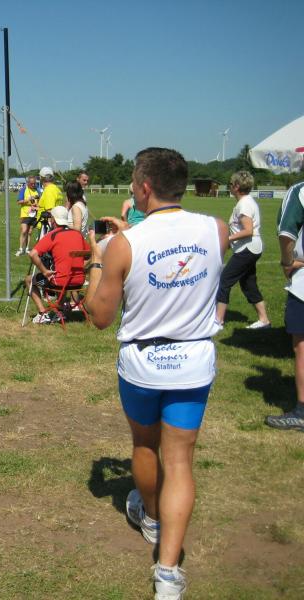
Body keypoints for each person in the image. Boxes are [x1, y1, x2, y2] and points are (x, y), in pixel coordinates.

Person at [83, 148, 228, 600]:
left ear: (145, 187)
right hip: (192, 360)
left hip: (144, 363)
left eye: (132, 182)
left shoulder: (124, 245)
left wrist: (97, 259)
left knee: (145, 445)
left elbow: (99, 316)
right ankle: (168, 571)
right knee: (180, 461)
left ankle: (150, 515)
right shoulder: (216, 229)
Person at [266, 179, 304, 431]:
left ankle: (302, 411)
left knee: (302, 346)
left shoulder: (300, 191)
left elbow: (286, 233)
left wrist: (287, 262)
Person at [215, 171, 270, 329]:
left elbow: (248, 230)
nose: (230, 187)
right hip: (250, 248)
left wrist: (227, 239)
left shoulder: (244, 204)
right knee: (248, 284)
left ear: (237, 186)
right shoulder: (246, 202)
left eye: (231, 184)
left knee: (224, 281)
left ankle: (218, 321)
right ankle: (264, 320)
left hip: (247, 249)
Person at [25, 205, 89, 324]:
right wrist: (82, 268)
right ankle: (60, 311)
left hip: (60, 281)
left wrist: (45, 271)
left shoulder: (53, 235)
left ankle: (42, 313)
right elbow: (89, 254)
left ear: (53, 220)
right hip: (79, 281)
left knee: (29, 280)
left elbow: (33, 254)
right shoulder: (78, 234)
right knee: (61, 273)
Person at [16, 176, 40, 256]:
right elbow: (19, 202)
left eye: (34, 183)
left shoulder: (37, 190)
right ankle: (20, 249)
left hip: (34, 213)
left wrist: (36, 205)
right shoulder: (23, 190)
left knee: (29, 232)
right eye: (32, 183)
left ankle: (27, 248)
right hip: (25, 213)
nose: (33, 185)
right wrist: (28, 200)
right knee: (24, 231)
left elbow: (40, 201)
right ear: (28, 183)